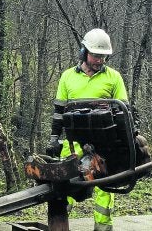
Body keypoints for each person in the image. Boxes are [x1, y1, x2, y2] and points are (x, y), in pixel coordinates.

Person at [45, 28, 126, 231]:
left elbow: (124, 111)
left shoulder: (114, 77)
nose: (99, 60)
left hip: (105, 142)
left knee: (105, 184)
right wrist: (54, 138)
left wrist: (126, 141)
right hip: (73, 142)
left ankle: (103, 227)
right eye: (96, 55)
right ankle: (60, 224)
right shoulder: (67, 77)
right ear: (84, 52)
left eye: (103, 57)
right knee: (64, 181)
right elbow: (58, 111)